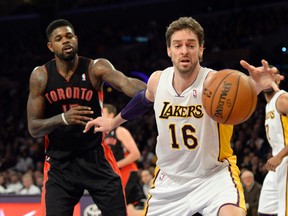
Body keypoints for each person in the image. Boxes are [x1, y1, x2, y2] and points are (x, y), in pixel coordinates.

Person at [83, 16, 282, 216]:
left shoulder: (213, 81)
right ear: (169, 50)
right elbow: (144, 100)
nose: (184, 51)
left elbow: (237, 96)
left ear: (201, 50)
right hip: (169, 180)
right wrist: (114, 122)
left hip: (213, 175)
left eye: (191, 45)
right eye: (178, 45)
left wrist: (256, 85)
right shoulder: (157, 80)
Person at [26, 19, 146, 216]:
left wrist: (155, 91)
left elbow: (126, 83)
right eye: (59, 38)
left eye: (69, 36)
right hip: (60, 163)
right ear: (50, 46)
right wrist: (63, 118)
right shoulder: (41, 76)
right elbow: (33, 127)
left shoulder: (95, 68)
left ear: (76, 39)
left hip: (96, 156)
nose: (65, 41)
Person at [103, 103, 146, 216]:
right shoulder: (102, 134)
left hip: (127, 172)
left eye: (103, 112)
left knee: (124, 208)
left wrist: (116, 164)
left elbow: (136, 154)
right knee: (125, 210)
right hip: (115, 174)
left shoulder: (120, 131)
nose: (100, 114)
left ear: (111, 115)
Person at [257, 68, 288, 216]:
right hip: (278, 164)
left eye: (271, 75)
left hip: (285, 161)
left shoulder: (282, 99)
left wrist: (280, 156)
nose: (267, 78)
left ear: (278, 79)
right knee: (265, 211)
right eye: (263, 76)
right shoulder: (269, 104)